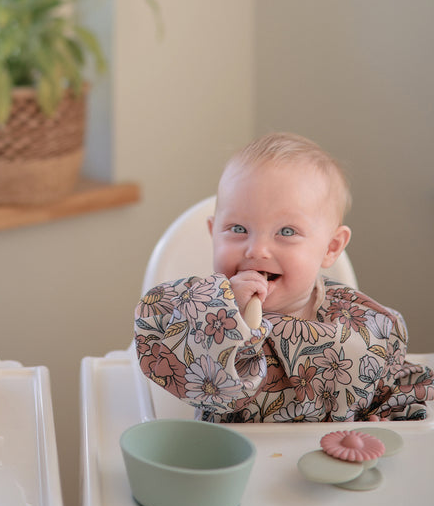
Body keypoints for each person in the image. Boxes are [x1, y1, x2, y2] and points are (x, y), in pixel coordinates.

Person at [135, 133, 433, 422]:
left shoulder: (361, 323)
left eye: (286, 232)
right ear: (214, 234)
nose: (257, 250)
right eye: (238, 228)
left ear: (331, 247)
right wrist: (224, 310)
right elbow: (175, 364)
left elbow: (390, 384)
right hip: (233, 460)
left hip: (328, 465)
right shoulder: (203, 309)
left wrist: (383, 416)